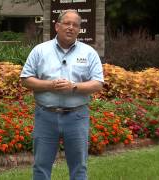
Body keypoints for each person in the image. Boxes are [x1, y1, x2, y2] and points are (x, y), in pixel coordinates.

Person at [20, 10, 104, 180]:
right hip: (46, 116)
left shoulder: (89, 53)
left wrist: (73, 87)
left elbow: (98, 83)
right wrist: (50, 85)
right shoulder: (40, 50)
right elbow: (25, 79)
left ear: (79, 29)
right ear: (57, 26)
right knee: (41, 166)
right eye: (67, 23)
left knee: (79, 167)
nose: (70, 28)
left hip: (77, 116)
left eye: (75, 25)